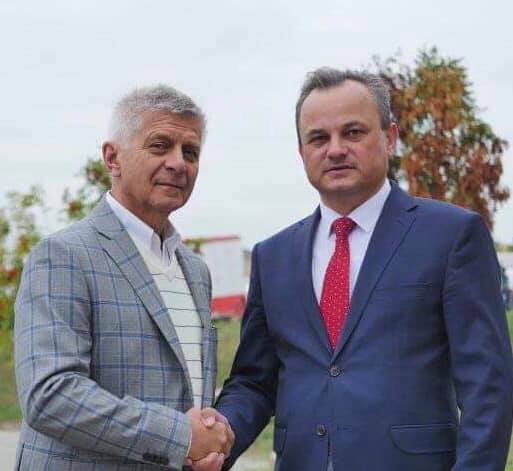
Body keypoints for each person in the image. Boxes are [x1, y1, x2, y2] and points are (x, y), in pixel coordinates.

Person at [213, 69, 513, 470]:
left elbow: (488, 386)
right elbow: (254, 381)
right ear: (301, 152)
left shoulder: (452, 235)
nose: (335, 149)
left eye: (353, 132)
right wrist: (215, 441)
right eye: (319, 138)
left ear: (390, 137)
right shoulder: (273, 256)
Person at [14, 85, 233, 470]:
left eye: (190, 152)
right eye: (160, 145)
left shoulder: (195, 270)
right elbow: (50, 395)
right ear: (112, 158)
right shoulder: (63, 255)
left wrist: (209, 437)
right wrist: (181, 437)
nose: (178, 163)